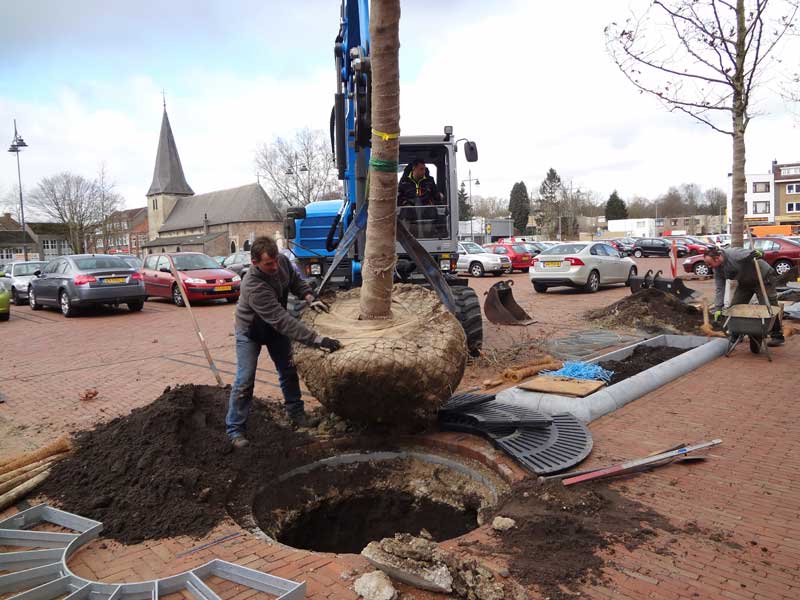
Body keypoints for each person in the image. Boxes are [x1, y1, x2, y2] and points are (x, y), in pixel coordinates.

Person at [226, 235, 342, 447]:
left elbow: (296, 282)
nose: (275, 266)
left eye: (276, 260)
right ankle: (235, 430)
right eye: (268, 263)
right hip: (251, 332)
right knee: (245, 379)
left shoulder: (282, 263)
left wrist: (310, 297)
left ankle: (296, 414)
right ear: (255, 263)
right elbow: (281, 320)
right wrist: (317, 339)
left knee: (288, 370)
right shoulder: (252, 285)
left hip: (274, 329)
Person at [704, 246, 784, 348]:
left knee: (769, 307)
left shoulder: (735, 254)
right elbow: (720, 288)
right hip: (745, 282)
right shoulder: (717, 269)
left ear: (718, 258)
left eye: (710, 263)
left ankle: (777, 336)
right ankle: (736, 334)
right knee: (735, 307)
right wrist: (718, 308)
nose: (709, 266)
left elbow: (758, 253)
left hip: (763, 278)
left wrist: (760, 252)